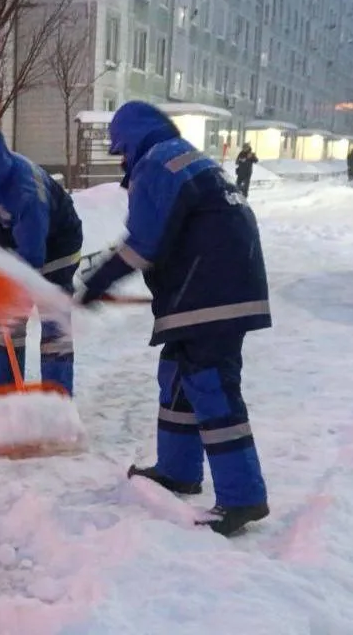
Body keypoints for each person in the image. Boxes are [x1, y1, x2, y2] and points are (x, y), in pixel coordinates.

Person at [75, 101, 271, 537]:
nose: (121, 161)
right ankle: (178, 469)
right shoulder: (185, 157)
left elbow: (144, 243)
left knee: (211, 385)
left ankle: (242, 497)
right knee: (179, 375)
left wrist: (98, 280)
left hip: (209, 293)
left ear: (130, 140)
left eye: (120, 151)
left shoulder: (157, 163)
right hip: (216, 288)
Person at [0, 123, 83, 402]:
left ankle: (56, 397)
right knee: (8, 322)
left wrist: (11, 288)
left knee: (53, 323)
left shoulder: (26, 193)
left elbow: (32, 256)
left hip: (57, 249)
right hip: (18, 244)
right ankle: (7, 388)